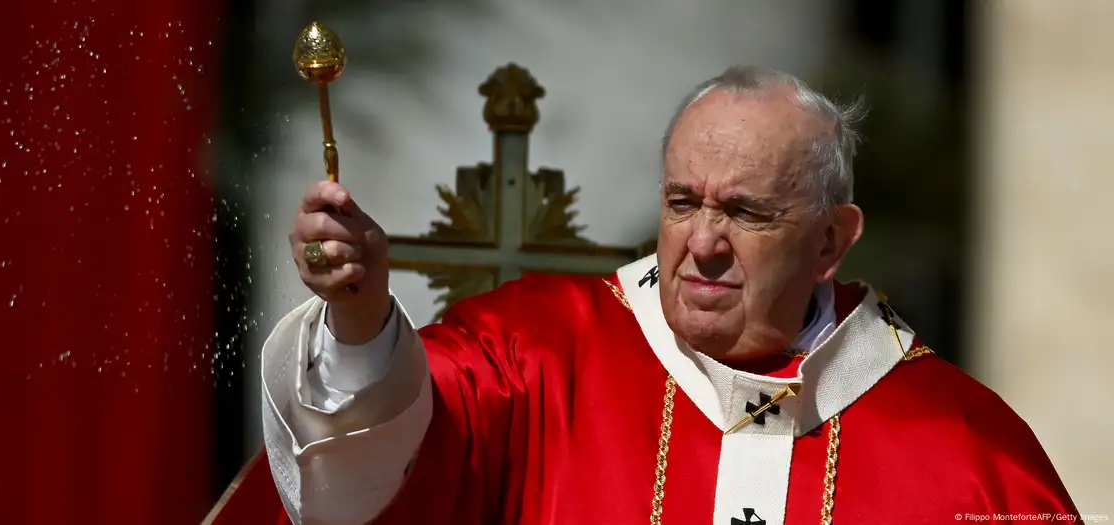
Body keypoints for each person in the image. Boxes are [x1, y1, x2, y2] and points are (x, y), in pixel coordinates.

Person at [211, 66, 1079, 525]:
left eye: (744, 212)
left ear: (829, 240)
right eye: (682, 202)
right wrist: (362, 320)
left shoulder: (962, 453)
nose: (702, 243)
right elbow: (388, 455)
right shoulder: (539, 362)